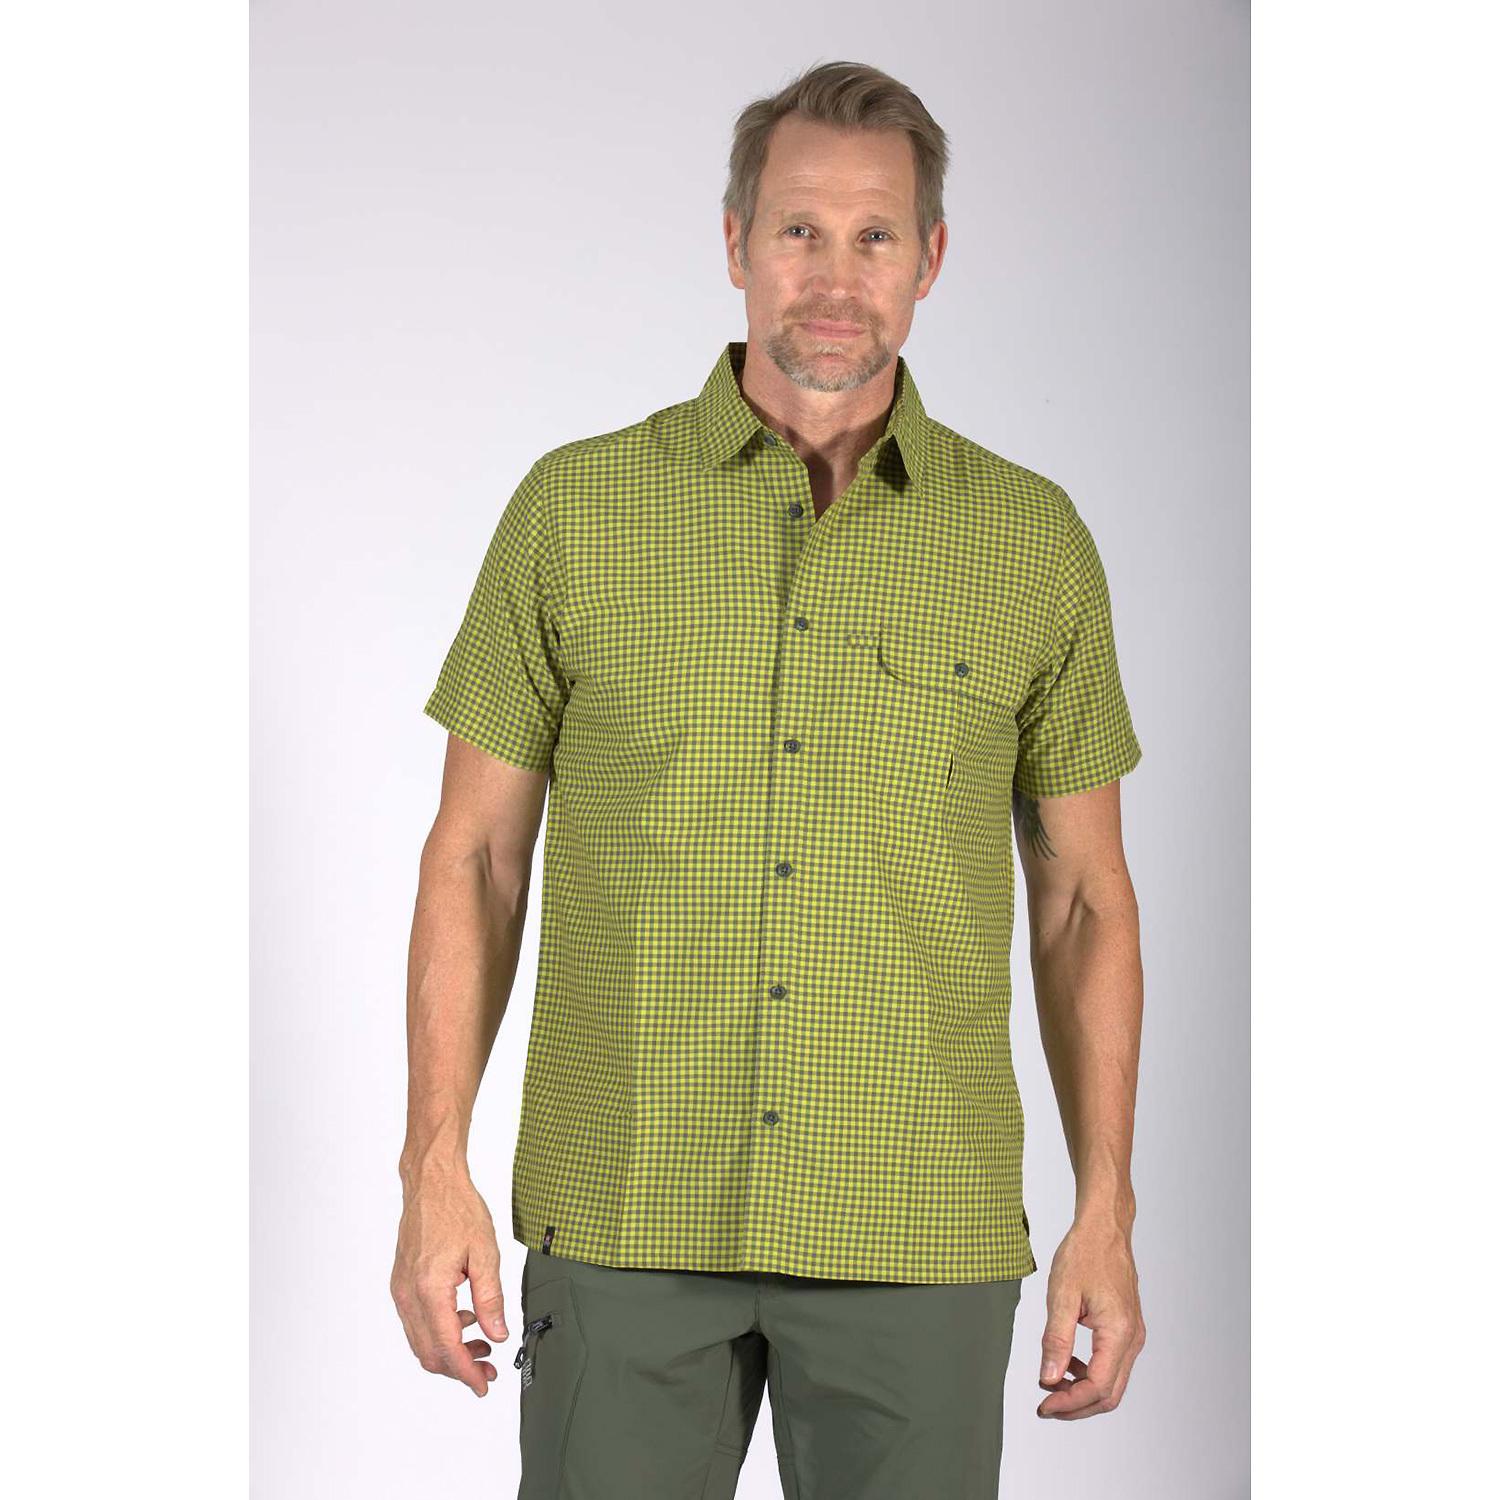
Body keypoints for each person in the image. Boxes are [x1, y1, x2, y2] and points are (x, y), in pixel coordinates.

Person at [391, 58, 1147, 1499]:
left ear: (931, 258)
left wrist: (1105, 1206)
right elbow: (473, 856)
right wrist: (436, 1169)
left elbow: (1083, 901)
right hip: (625, 1214)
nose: (835, 277)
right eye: (800, 229)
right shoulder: (575, 509)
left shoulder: (1030, 542)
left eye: (875, 235)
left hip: (915, 1226)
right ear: (735, 241)